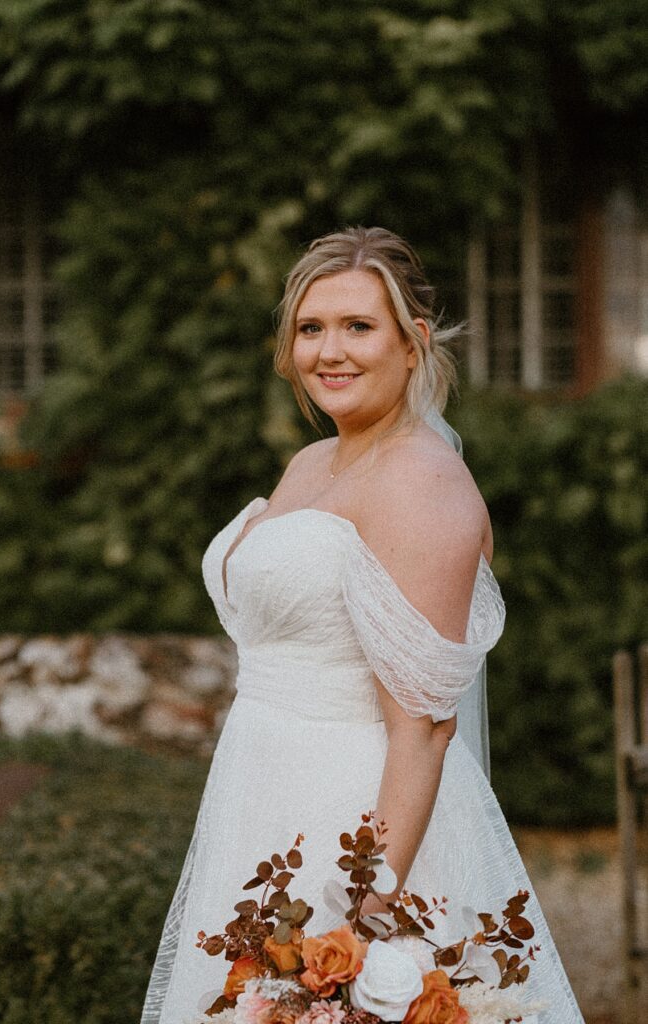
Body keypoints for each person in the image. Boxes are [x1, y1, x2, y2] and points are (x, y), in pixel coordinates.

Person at [141, 227, 583, 1024]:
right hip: (260, 791)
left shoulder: (422, 483)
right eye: (310, 329)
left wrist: (361, 915)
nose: (328, 352)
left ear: (413, 343)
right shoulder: (312, 463)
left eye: (357, 327)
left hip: (360, 817)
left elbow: (423, 728)